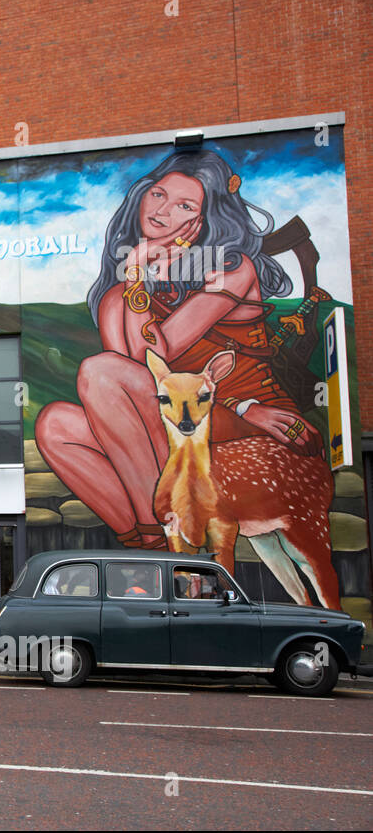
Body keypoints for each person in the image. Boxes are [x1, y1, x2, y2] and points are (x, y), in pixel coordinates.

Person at [35, 150, 320, 550]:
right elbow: (137, 371)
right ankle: (150, 543)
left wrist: (240, 407)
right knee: (55, 424)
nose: (162, 211)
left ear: (205, 218)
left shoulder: (232, 268)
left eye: (184, 204)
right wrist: (135, 277)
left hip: (244, 413)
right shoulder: (119, 292)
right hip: (174, 415)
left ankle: (169, 535)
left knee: (99, 371)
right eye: (158, 195)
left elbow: (159, 354)